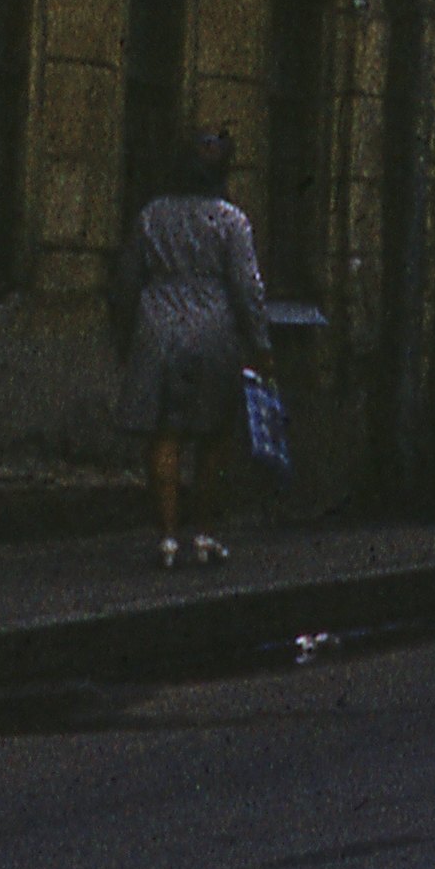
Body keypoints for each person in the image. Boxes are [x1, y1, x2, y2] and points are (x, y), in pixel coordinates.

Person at [109, 128, 274, 569]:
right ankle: (203, 534)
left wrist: (125, 334)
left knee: (165, 433)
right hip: (214, 331)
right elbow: (247, 289)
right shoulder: (231, 221)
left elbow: (127, 279)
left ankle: (166, 538)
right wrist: (259, 343)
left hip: (157, 327)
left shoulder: (150, 216)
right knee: (213, 437)